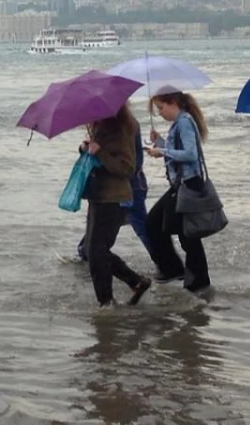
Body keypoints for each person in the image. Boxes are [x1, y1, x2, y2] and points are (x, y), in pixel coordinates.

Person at [78, 104, 153, 308]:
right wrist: (86, 149)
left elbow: (128, 168)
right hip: (98, 195)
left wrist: (100, 152)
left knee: (95, 251)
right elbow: (97, 161)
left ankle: (107, 302)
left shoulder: (122, 128)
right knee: (94, 250)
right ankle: (134, 282)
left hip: (113, 198)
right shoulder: (100, 127)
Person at [143, 89, 213, 297]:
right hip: (183, 184)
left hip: (188, 184)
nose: (160, 114)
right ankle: (187, 277)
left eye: (161, 108)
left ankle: (186, 277)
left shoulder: (183, 122)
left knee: (168, 228)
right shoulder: (181, 122)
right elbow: (181, 150)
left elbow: (190, 154)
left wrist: (163, 151)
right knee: (178, 231)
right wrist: (161, 142)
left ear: (173, 103)